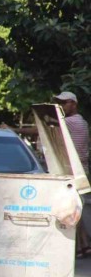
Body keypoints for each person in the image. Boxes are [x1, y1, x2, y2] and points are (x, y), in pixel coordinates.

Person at [52, 92, 90, 259]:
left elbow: (44, 128)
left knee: (71, 210)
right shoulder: (82, 121)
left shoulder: (70, 121)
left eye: (64, 103)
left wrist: (14, 129)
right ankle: (83, 245)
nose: (61, 106)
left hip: (74, 172)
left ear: (74, 104)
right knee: (76, 208)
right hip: (80, 171)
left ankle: (80, 245)